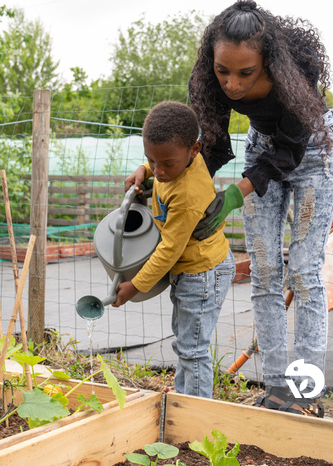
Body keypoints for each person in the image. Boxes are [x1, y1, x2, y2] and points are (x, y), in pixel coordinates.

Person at [189, 0, 333, 416]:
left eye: (245, 73)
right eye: (223, 71)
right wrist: (161, 173)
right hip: (260, 150)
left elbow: (289, 153)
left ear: (269, 64)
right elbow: (215, 149)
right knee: (264, 269)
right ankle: (277, 388)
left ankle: (306, 391)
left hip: (312, 150)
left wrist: (236, 194)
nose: (232, 85)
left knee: (305, 269)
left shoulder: (295, 85)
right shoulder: (208, 80)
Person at [113, 101, 244, 399]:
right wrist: (142, 170)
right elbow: (158, 163)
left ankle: (196, 414)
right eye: (151, 160)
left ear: (194, 150)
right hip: (192, 271)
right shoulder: (176, 162)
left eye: (166, 164)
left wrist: (136, 286)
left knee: (192, 348)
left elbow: (169, 250)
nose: (158, 172)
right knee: (187, 341)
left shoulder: (187, 193)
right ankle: (186, 398)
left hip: (203, 273)